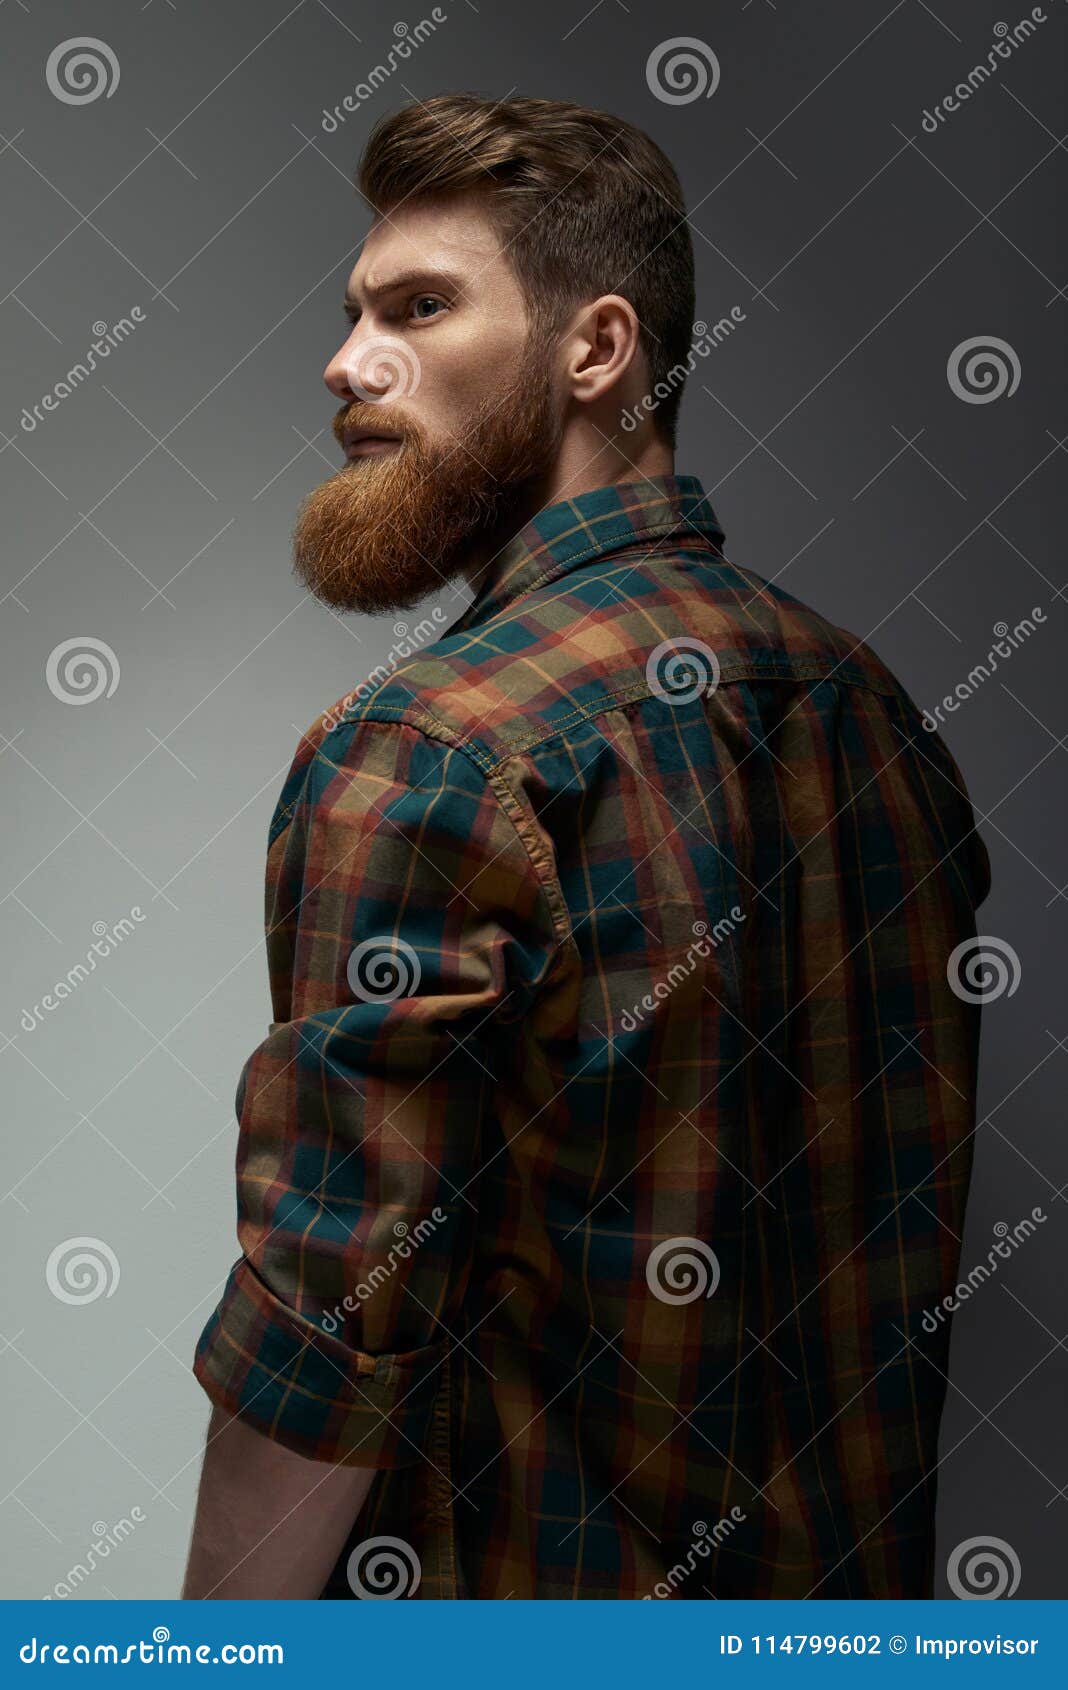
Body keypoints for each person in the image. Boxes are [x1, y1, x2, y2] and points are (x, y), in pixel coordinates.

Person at [182, 94, 991, 1600]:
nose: (345, 364)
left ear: (598, 349)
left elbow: (326, 1323)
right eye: (354, 312)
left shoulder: (426, 746)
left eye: (418, 307)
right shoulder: (874, 715)